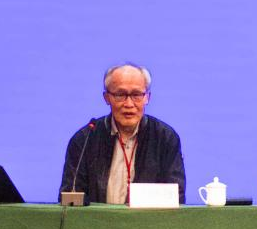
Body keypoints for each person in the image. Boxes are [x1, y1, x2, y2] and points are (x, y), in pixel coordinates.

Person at [60, 63, 186, 204]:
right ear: (106, 97)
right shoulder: (85, 139)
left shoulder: (165, 138)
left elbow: (176, 197)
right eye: (120, 95)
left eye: (136, 95)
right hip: (97, 218)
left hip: (148, 218)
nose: (129, 104)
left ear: (147, 97)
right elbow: (70, 197)